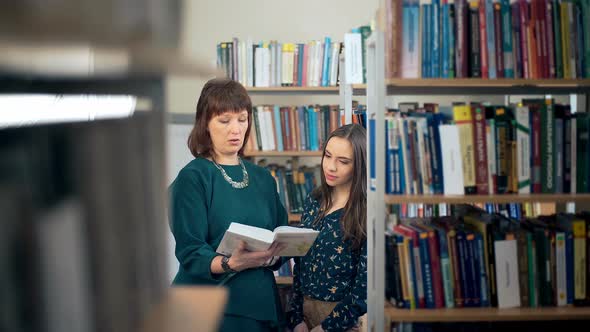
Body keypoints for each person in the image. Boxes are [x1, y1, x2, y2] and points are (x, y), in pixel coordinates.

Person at [168, 78, 288, 332]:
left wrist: (277, 252)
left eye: (242, 119)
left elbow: (281, 236)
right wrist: (230, 263)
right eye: (225, 120)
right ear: (206, 124)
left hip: (259, 303)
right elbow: (191, 251)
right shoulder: (194, 177)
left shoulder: (264, 178)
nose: (235, 129)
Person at [288, 124, 367, 332]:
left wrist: (327, 327)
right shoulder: (314, 199)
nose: (331, 167)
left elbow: (364, 288)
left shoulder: (366, 212)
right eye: (328, 156)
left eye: (343, 162)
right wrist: (296, 319)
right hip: (304, 315)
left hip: (341, 321)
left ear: (359, 165)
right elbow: (300, 264)